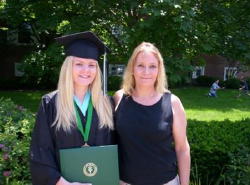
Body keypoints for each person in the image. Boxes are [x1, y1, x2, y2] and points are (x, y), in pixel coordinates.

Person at [29, 31, 115, 185]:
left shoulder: (106, 103)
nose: (86, 70)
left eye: (91, 65)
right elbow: (41, 152)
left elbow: (115, 148)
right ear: (68, 67)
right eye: (79, 64)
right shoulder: (50, 103)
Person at [114, 42, 190, 185]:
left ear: (159, 70)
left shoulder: (173, 103)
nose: (146, 72)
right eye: (140, 65)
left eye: (152, 66)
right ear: (132, 68)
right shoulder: (119, 99)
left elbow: (182, 148)